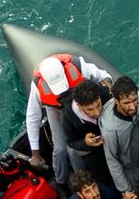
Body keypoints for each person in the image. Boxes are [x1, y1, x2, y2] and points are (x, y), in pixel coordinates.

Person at [26, 53, 114, 185]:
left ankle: (84, 178)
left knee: (73, 151)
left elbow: (104, 76)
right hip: (56, 108)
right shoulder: (37, 86)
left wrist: (107, 86)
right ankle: (61, 182)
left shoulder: (77, 65)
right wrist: (35, 153)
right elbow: (33, 117)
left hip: (81, 102)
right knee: (61, 149)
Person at [58, 79, 115, 186]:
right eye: (90, 109)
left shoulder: (104, 94)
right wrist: (85, 143)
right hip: (93, 151)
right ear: (79, 105)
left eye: (98, 105)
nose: (97, 112)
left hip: (113, 139)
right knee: (104, 180)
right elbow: (71, 142)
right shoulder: (69, 116)